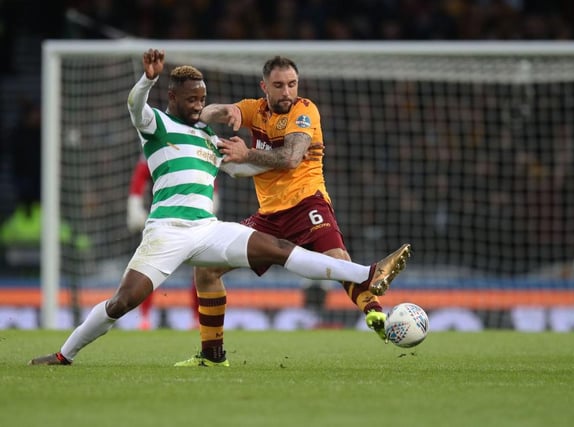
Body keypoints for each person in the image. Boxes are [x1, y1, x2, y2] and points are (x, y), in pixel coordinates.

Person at [28, 48, 411, 366]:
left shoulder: (209, 138)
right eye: (192, 99)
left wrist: (249, 156)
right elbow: (135, 106)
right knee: (122, 302)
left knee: (277, 249)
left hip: (208, 228)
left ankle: (366, 272)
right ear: (173, 98)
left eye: (202, 98)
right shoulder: (156, 124)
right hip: (167, 231)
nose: (198, 105)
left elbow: (238, 168)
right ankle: (64, 355)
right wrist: (147, 79)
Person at [174, 55, 404, 367]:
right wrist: (223, 111)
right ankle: (213, 356)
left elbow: (292, 158)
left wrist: (246, 154)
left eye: (292, 84)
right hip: (268, 215)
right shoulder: (254, 109)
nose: (287, 92)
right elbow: (206, 112)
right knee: (206, 269)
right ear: (264, 87)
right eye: (279, 85)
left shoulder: (305, 111)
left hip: (307, 203)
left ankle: (375, 311)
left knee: (337, 260)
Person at [127, 154, 200, 330]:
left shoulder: (195, 149)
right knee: (149, 269)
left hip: (192, 219)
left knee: (201, 270)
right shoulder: (159, 150)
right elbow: (140, 176)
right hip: (162, 220)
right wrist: (135, 207)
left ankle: (197, 318)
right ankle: (144, 318)